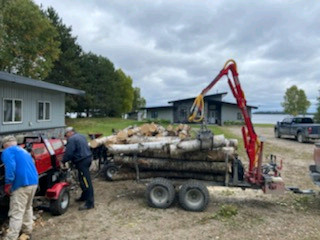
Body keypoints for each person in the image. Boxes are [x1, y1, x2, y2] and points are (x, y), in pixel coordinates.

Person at [1, 136, 38, 240]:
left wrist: (8, 184)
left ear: (5, 145)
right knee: (27, 207)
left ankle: (11, 237)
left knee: (16, 212)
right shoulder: (23, 150)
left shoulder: (8, 151)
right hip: (33, 182)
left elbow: (10, 167)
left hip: (21, 184)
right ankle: (27, 231)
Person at [62, 127, 94, 210]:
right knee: (81, 179)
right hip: (88, 158)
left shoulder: (72, 139)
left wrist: (63, 161)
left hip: (82, 161)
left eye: (66, 135)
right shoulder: (81, 136)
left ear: (69, 132)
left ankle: (90, 203)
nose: (66, 137)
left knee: (86, 181)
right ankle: (84, 196)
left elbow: (69, 153)